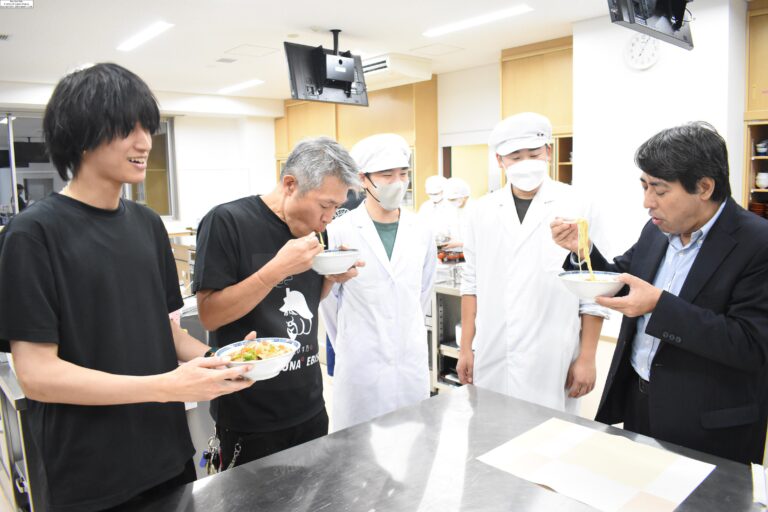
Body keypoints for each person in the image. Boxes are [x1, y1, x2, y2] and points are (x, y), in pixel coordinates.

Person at [0, 63, 256, 512]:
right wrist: (165, 386)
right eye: (127, 129)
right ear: (81, 135)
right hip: (89, 476)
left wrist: (224, 360)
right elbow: (37, 375)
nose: (144, 142)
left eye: (148, 129)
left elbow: (165, 332)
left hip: (167, 457)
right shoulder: (32, 235)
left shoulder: (147, 223)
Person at [551, 122, 768, 464]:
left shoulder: (757, 243)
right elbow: (623, 278)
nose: (647, 202)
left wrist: (658, 306)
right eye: (644, 186)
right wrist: (584, 251)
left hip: (708, 422)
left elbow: (751, 345)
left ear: (705, 187)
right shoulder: (657, 231)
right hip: (641, 399)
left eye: (659, 190)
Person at [193, 136, 361, 468]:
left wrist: (330, 276)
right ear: (289, 184)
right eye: (325, 205)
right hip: (250, 414)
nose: (329, 217)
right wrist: (275, 269)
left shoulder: (314, 228)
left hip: (310, 403)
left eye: (336, 208)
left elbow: (309, 299)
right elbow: (209, 315)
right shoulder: (227, 222)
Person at [456, 112, 607, 414]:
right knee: (491, 435)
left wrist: (587, 357)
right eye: (515, 156)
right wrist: (466, 348)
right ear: (500, 161)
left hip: (552, 354)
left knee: (550, 445)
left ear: (549, 152)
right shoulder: (480, 211)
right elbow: (471, 283)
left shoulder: (578, 204)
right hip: (494, 350)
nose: (526, 162)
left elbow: (595, 288)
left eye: (534, 154)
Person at [320, 133, 436, 432]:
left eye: (403, 173)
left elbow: (423, 291)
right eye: (386, 175)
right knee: (357, 455)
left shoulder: (421, 229)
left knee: (412, 452)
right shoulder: (339, 230)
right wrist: (349, 346)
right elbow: (330, 305)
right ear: (363, 180)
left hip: (409, 359)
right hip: (361, 362)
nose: (397, 182)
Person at [324, 188, 365, 377]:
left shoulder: (362, 197)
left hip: (356, 271)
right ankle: (335, 370)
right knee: (334, 322)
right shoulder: (330, 195)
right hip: (334, 265)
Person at [442, 176, 472, 250]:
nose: (451, 202)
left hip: (473, 256)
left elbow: (481, 240)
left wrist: (460, 244)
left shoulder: (475, 210)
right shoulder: (452, 210)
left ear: (465, 196)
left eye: (453, 199)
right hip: (455, 255)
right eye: (449, 199)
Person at [418, 174, 449, 240]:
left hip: (450, 245)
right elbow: (420, 225)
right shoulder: (425, 206)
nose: (432, 196)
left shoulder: (451, 205)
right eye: (430, 194)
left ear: (443, 191)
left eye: (435, 194)